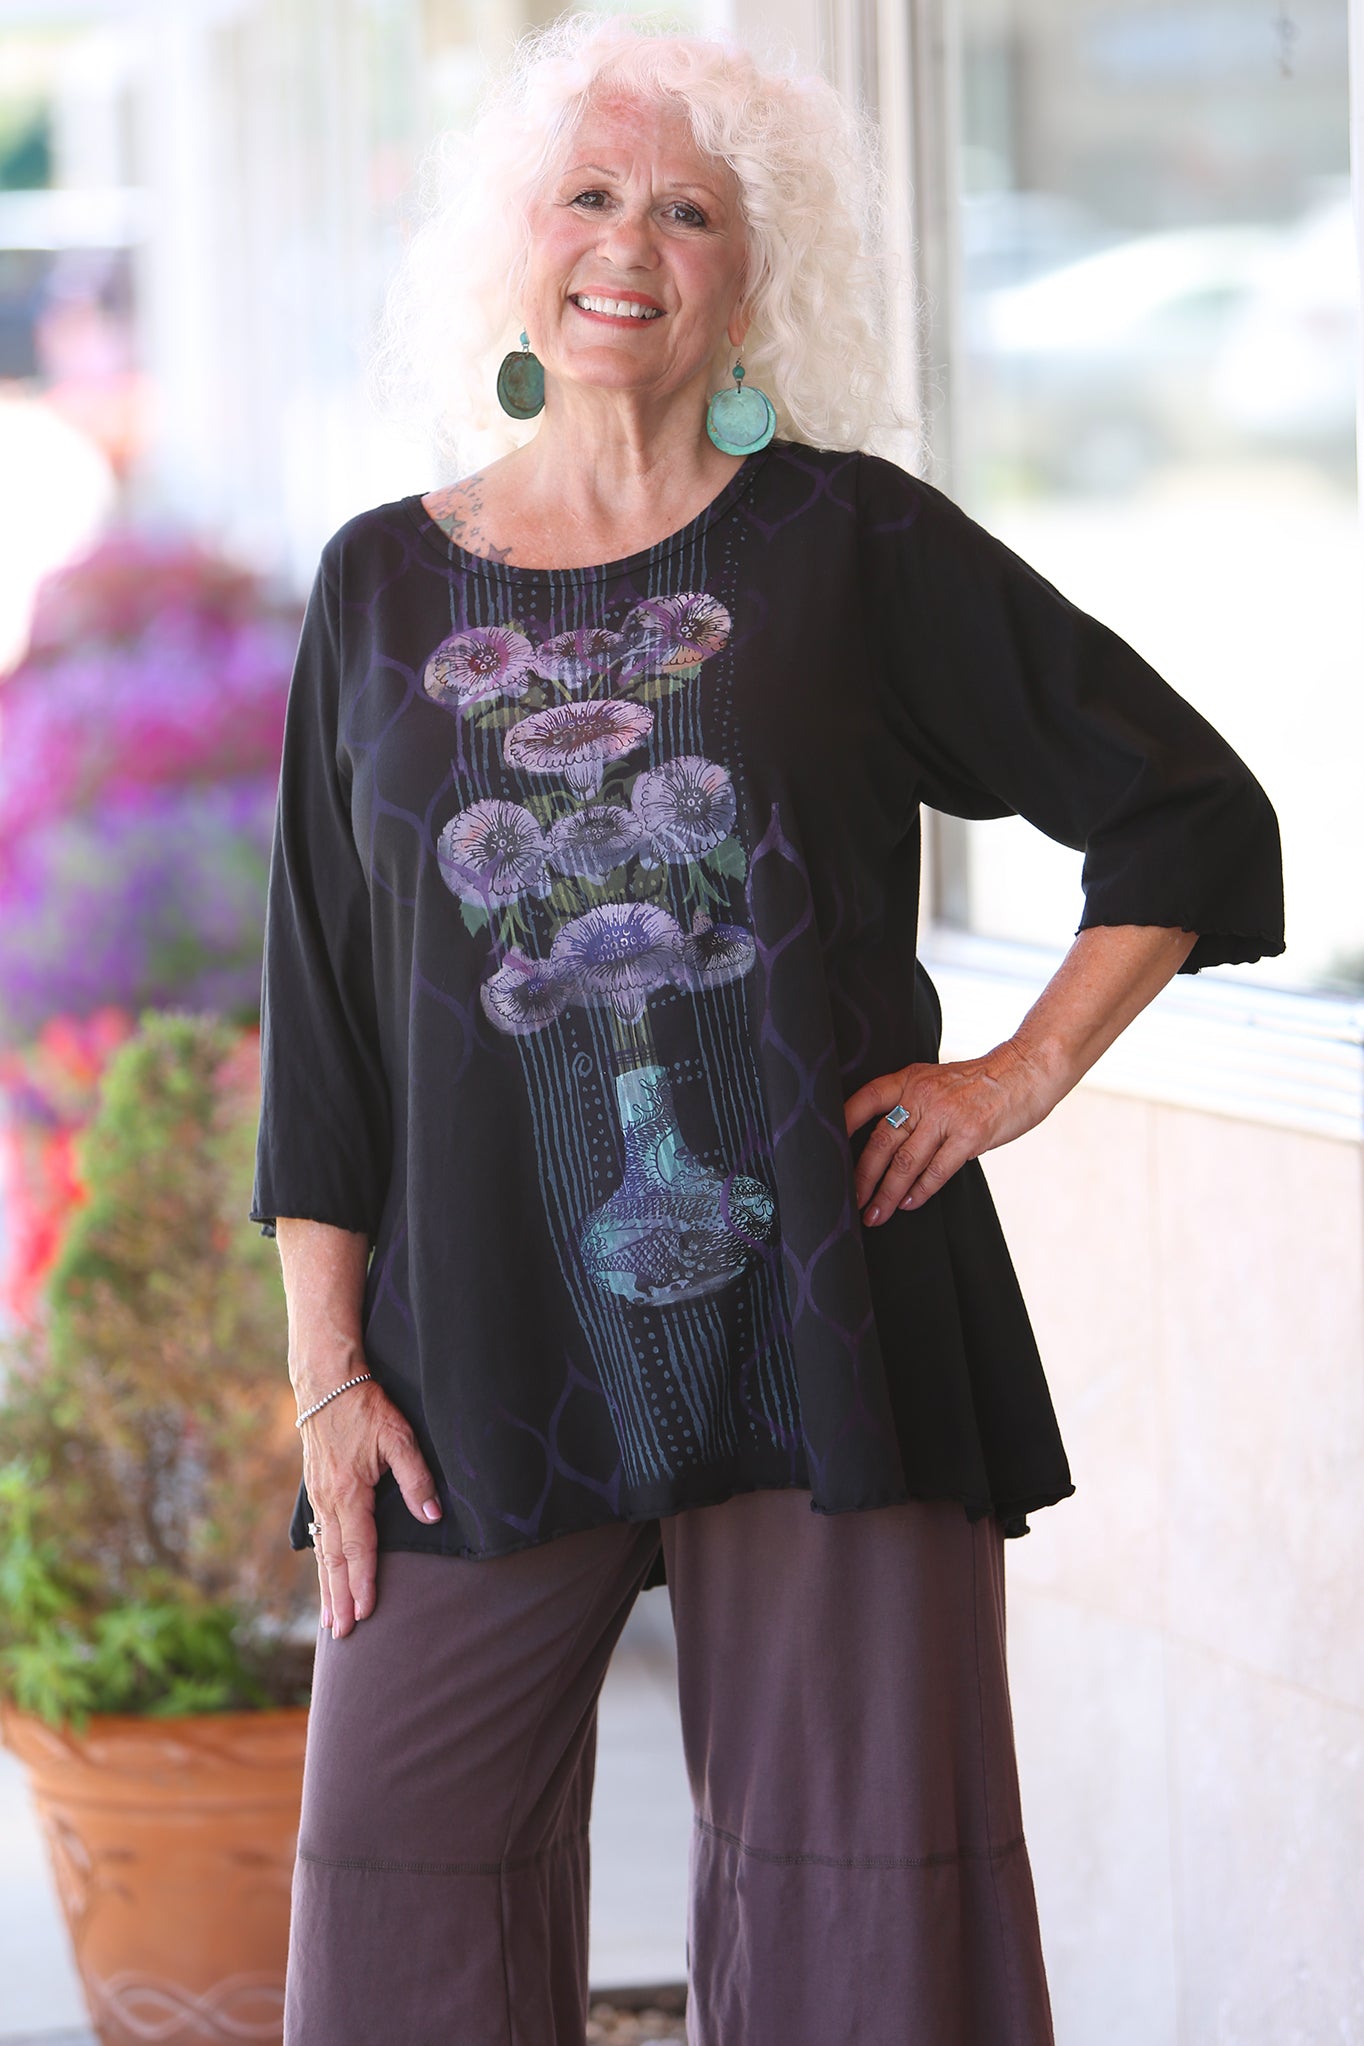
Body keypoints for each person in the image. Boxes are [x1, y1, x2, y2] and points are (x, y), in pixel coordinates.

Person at [252, 18, 1284, 2046]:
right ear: (515, 245)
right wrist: (324, 1377)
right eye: (590, 195)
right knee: (395, 1898)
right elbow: (326, 1013)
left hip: (829, 1323)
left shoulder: (849, 547)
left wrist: (1018, 1076)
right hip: (477, 1346)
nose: (629, 246)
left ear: (752, 277)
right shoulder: (377, 586)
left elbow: (1185, 809)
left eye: (690, 212)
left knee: (859, 1927)